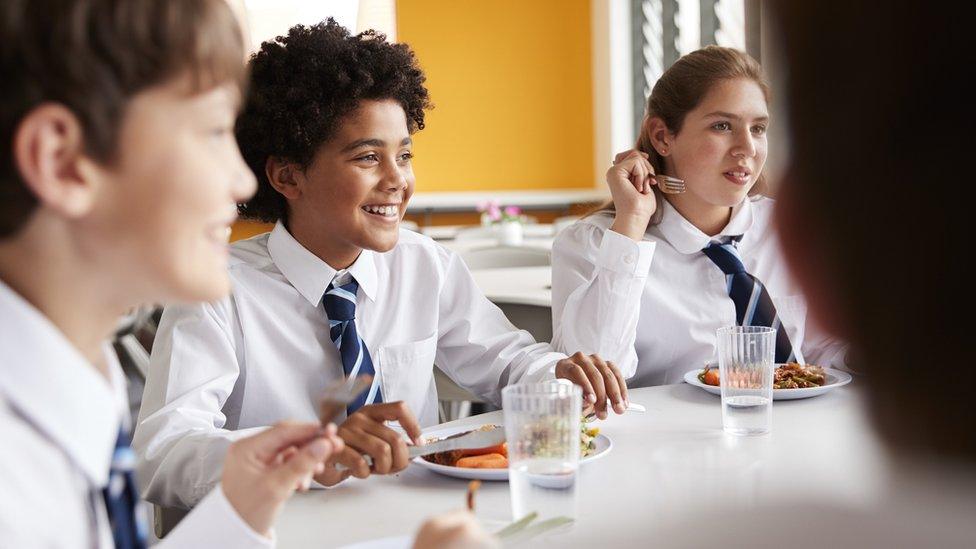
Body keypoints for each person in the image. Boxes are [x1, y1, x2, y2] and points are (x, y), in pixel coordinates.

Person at [133, 19, 627, 512]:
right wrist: (307, 452)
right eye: (368, 157)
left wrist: (556, 371)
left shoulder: (424, 267)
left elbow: (510, 363)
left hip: (415, 521)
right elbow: (162, 453)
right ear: (288, 175)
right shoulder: (216, 290)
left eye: (405, 155)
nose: (399, 181)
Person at [0, 0, 344, 546]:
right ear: (62, 161)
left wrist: (236, 516)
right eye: (213, 131)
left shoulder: (80, 375)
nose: (242, 181)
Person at [550, 46, 847, 387]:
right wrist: (631, 224)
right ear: (662, 136)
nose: (747, 148)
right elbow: (588, 381)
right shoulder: (594, 243)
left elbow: (817, 353)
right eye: (722, 126)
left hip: (794, 432)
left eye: (758, 129)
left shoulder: (789, 229)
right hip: (662, 439)